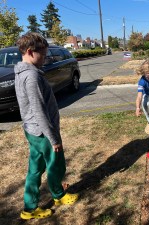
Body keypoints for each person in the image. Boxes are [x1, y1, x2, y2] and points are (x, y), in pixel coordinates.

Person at [14, 32, 78, 220]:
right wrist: (53, 138)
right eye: (42, 54)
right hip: (41, 132)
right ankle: (59, 196)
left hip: (31, 130)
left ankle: (29, 208)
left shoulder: (21, 71)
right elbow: (39, 110)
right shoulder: (32, 77)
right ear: (30, 51)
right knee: (55, 164)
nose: (45, 58)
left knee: (35, 168)